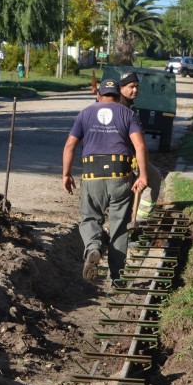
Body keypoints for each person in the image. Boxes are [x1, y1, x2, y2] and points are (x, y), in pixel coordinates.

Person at [62, 79, 149, 282]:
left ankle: (93, 248)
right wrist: (143, 176)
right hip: (120, 175)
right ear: (119, 97)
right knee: (119, 226)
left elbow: (70, 146)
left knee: (90, 218)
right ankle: (116, 277)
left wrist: (66, 174)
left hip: (92, 175)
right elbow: (140, 147)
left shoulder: (85, 113)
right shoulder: (128, 114)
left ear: (99, 95)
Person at [118, 71, 163, 220]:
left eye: (137, 86)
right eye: (131, 86)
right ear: (121, 88)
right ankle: (139, 219)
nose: (135, 90)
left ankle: (135, 218)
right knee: (154, 178)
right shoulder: (121, 107)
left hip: (127, 155)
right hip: (126, 157)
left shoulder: (128, 106)